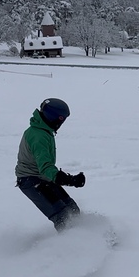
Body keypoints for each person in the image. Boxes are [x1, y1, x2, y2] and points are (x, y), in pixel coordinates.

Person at [15, 98, 85, 232]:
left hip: (43, 177)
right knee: (62, 216)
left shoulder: (43, 129)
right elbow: (45, 166)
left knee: (72, 209)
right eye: (62, 119)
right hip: (30, 180)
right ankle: (72, 246)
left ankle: (88, 236)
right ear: (54, 118)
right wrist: (69, 180)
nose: (62, 123)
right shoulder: (38, 136)